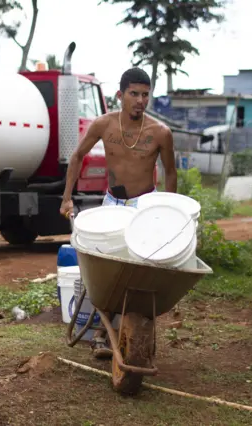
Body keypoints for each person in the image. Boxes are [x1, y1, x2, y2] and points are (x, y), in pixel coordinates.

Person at [59, 67, 178, 359]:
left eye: (145, 95)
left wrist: (170, 211)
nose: (140, 100)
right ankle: (101, 331)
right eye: (134, 94)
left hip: (144, 206)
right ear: (120, 95)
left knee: (141, 270)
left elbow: (171, 173)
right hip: (112, 204)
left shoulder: (161, 133)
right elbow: (77, 156)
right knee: (106, 268)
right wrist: (66, 199)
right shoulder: (104, 125)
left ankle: (135, 329)